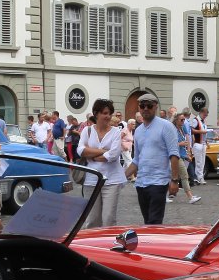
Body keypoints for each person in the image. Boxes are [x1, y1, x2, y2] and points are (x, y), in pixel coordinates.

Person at [125, 94, 182, 225]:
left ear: (156, 107)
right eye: (142, 106)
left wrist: (174, 180)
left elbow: (174, 154)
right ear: (139, 108)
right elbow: (137, 160)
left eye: (149, 106)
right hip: (141, 183)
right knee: (147, 222)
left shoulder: (166, 126)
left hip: (159, 182)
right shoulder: (138, 131)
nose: (145, 108)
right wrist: (122, 177)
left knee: (154, 222)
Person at [77, 99, 126, 228]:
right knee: (92, 219)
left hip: (111, 180)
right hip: (91, 180)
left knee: (109, 218)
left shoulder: (115, 132)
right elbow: (81, 150)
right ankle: (93, 241)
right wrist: (103, 152)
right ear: (96, 114)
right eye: (105, 113)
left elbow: (114, 155)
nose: (108, 116)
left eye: (110, 113)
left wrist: (92, 154)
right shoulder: (87, 130)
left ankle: (109, 240)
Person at [189, 109, 208, 184]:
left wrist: (206, 141)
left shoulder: (203, 121)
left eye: (206, 115)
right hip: (198, 143)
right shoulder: (195, 120)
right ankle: (199, 177)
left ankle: (200, 177)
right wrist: (201, 131)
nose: (205, 116)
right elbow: (192, 130)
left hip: (203, 144)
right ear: (201, 113)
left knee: (203, 161)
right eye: (204, 115)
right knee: (199, 162)